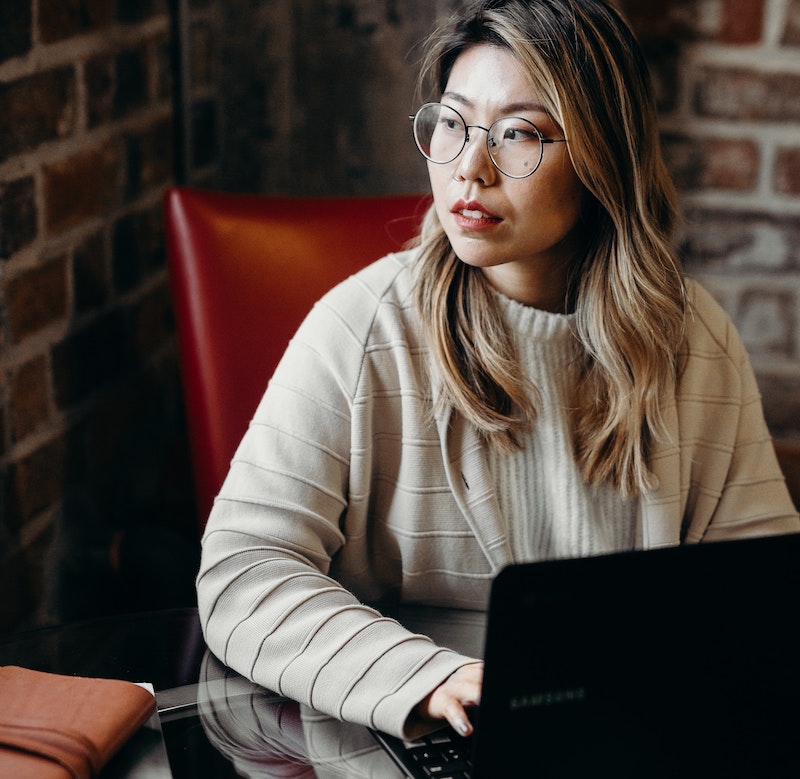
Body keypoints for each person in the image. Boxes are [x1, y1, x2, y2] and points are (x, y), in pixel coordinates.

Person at [197, 0, 799, 743]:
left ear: (603, 158)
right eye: (452, 123)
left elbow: (763, 595)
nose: (469, 168)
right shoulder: (362, 327)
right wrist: (423, 676)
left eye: (519, 133)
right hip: (420, 733)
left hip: (630, 731)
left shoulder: (692, 337)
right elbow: (242, 572)